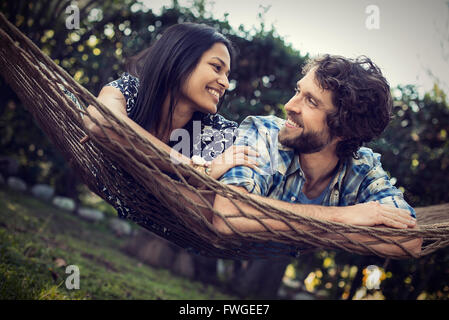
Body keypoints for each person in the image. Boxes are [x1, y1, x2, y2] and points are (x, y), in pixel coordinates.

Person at [210, 54, 422, 257]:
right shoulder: (264, 133)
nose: (289, 106)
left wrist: (267, 218)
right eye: (298, 91)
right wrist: (342, 217)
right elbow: (228, 214)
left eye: (311, 101)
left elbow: (410, 241)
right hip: (190, 226)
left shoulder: (363, 168)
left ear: (344, 130)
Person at [81, 23, 257, 244]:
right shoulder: (130, 90)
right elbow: (100, 123)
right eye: (216, 68)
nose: (225, 83)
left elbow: (214, 211)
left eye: (227, 74)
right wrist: (196, 170)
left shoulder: (219, 132)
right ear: (179, 61)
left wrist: (124, 139)